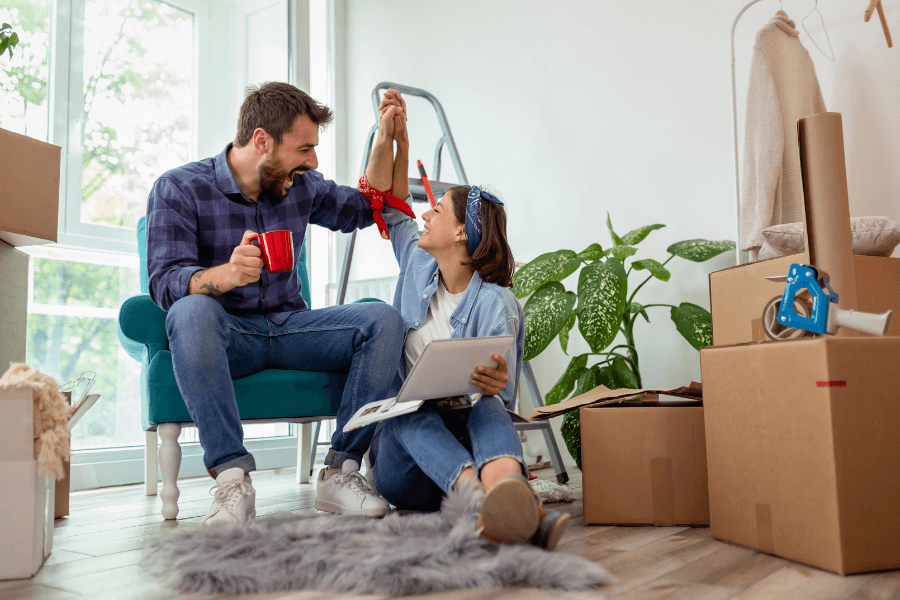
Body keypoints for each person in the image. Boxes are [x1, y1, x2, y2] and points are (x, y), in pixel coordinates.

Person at [146, 82, 412, 525]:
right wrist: (225, 275)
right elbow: (164, 283)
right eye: (304, 148)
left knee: (383, 319)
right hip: (230, 334)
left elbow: (367, 207)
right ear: (262, 141)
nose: (313, 161)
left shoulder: (300, 185)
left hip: (292, 328)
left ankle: (340, 471)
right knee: (190, 311)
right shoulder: (179, 188)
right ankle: (232, 481)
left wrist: (385, 136)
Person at [362, 93, 570, 550]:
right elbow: (391, 205)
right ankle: (506, 509)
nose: (424, 213)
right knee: (407, 412)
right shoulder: (416, 268)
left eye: (435, 210)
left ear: (460, 233)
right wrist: (396, 136)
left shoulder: (496, 304)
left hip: (465, 446)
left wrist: (494, 383)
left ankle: (499, 497)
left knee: (489, 406)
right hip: (407, 464)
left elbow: (497, 394)